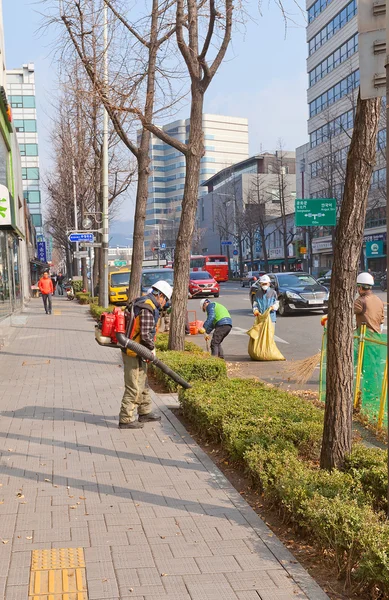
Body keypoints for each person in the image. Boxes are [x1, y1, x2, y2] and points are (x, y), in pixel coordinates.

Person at [119, 280, 173, 430]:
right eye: (166, 299)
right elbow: (145, 334)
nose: (165, 303)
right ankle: (126, 418)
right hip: (134, 350)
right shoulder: (148, 307)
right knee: (134, 385)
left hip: (136, 349)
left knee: (143, 382)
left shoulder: (142, 301)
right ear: (160, 295)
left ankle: (145, 411)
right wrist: (152, 348)